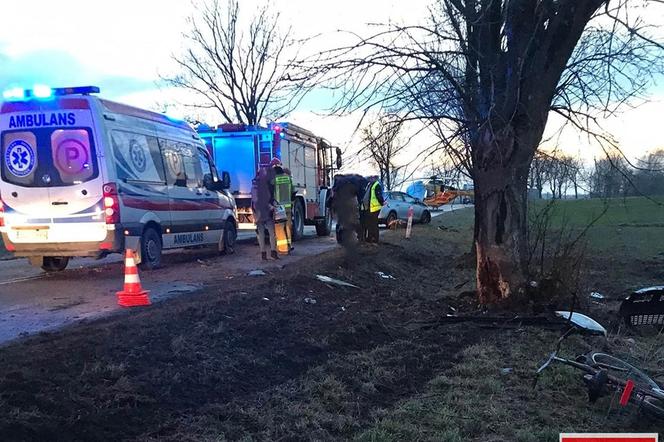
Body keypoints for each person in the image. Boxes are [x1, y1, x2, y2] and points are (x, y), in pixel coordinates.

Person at [251, 166, 279, 260]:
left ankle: (263, 253)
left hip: (258, 211)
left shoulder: (255, 184)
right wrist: (271, 206)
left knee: (261, 232)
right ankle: (273, 252)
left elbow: (254, 200)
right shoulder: (267, 185)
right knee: (271, 232)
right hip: (267, 211)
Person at [271, 158, 294, 253]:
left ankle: (283, 248)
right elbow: (292, 191)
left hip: (279, 208)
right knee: (288, 226)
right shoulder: (288, 178)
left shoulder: (274, 180)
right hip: (288, 207)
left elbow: (271, 193)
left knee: (279, 228)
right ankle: (289, 245)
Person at [362, 176, 385, 244]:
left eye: (371, 178)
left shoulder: (376, 185)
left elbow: (378, 195)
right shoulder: (370, 185)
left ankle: (375, 239)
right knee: (369, 224)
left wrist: (382, 202)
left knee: (374, 224)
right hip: (370, 208)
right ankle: (370, 238)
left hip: (374, 208)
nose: (369, 179)